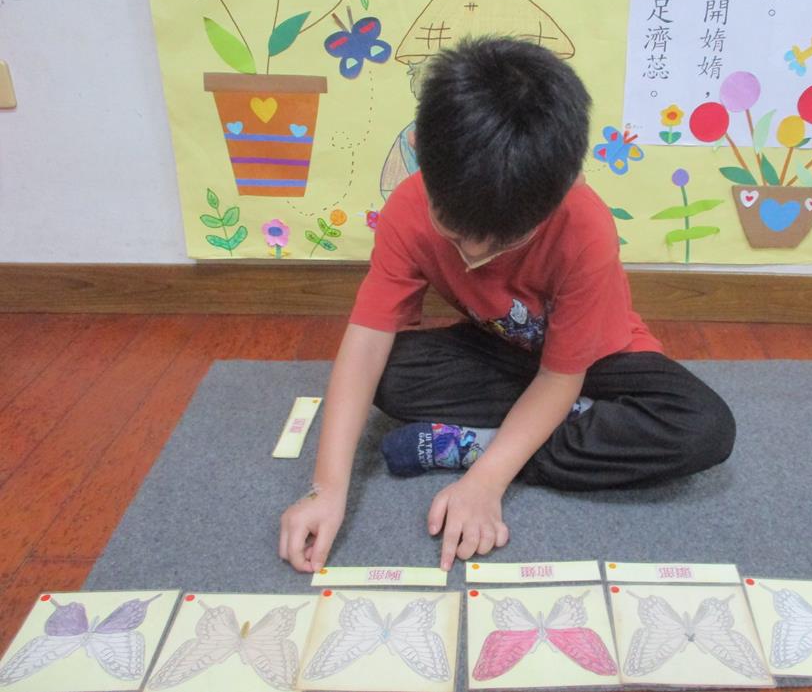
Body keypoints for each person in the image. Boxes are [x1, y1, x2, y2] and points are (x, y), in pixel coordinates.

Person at [279, 37, 736, 573]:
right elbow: (367, 341)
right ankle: (548, 431)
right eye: (455, 231)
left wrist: (486, 480)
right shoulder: (408, 208)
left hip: (598, 364)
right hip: (505, 354)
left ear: (569, 184)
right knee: (390, 375)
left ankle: (479, 446)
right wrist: (326, 488)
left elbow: (561, 377)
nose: (474, 252)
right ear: (421, 154)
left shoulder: (585, 227)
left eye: (504, 240)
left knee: (704, 427)